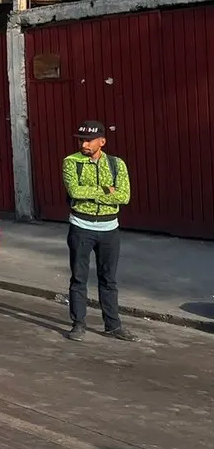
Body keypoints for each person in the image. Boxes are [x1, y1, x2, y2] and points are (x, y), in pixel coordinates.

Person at [63, 120, 137, 342]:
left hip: (109, 229)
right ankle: (78, 324)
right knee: (79, 278)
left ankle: (113, 325)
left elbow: (124, 196)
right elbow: (75, 190)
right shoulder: (71, 162)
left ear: (102, 141)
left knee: (108, 279)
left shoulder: (116, 164)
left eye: (88, 140)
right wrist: (106, 190)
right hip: (81, 226)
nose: (84, 144)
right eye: (81, 140)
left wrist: (92, 192)